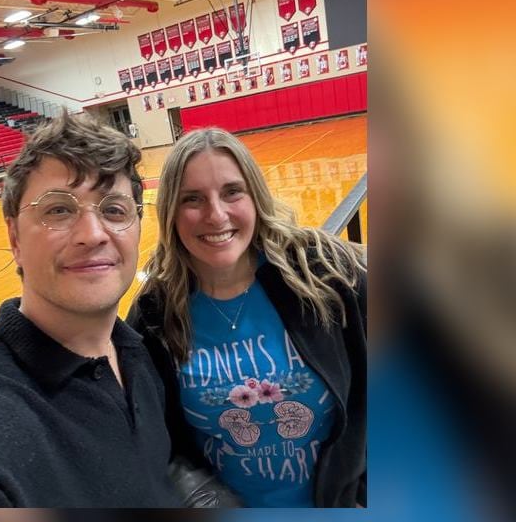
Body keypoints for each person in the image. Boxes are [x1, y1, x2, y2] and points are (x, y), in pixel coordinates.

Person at [127, 128, 367, 508]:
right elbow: (156, 441)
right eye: (193, 199)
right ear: (171, 211)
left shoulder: (325, 274)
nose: (216, 214)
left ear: (254, 196)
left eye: (231, 192)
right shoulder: (157, 312)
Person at [0, 111, 184, 508]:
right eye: (58, 210)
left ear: (137, 227)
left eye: (114, 210)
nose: (92, 235)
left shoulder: (142, 352)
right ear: (14, 236)